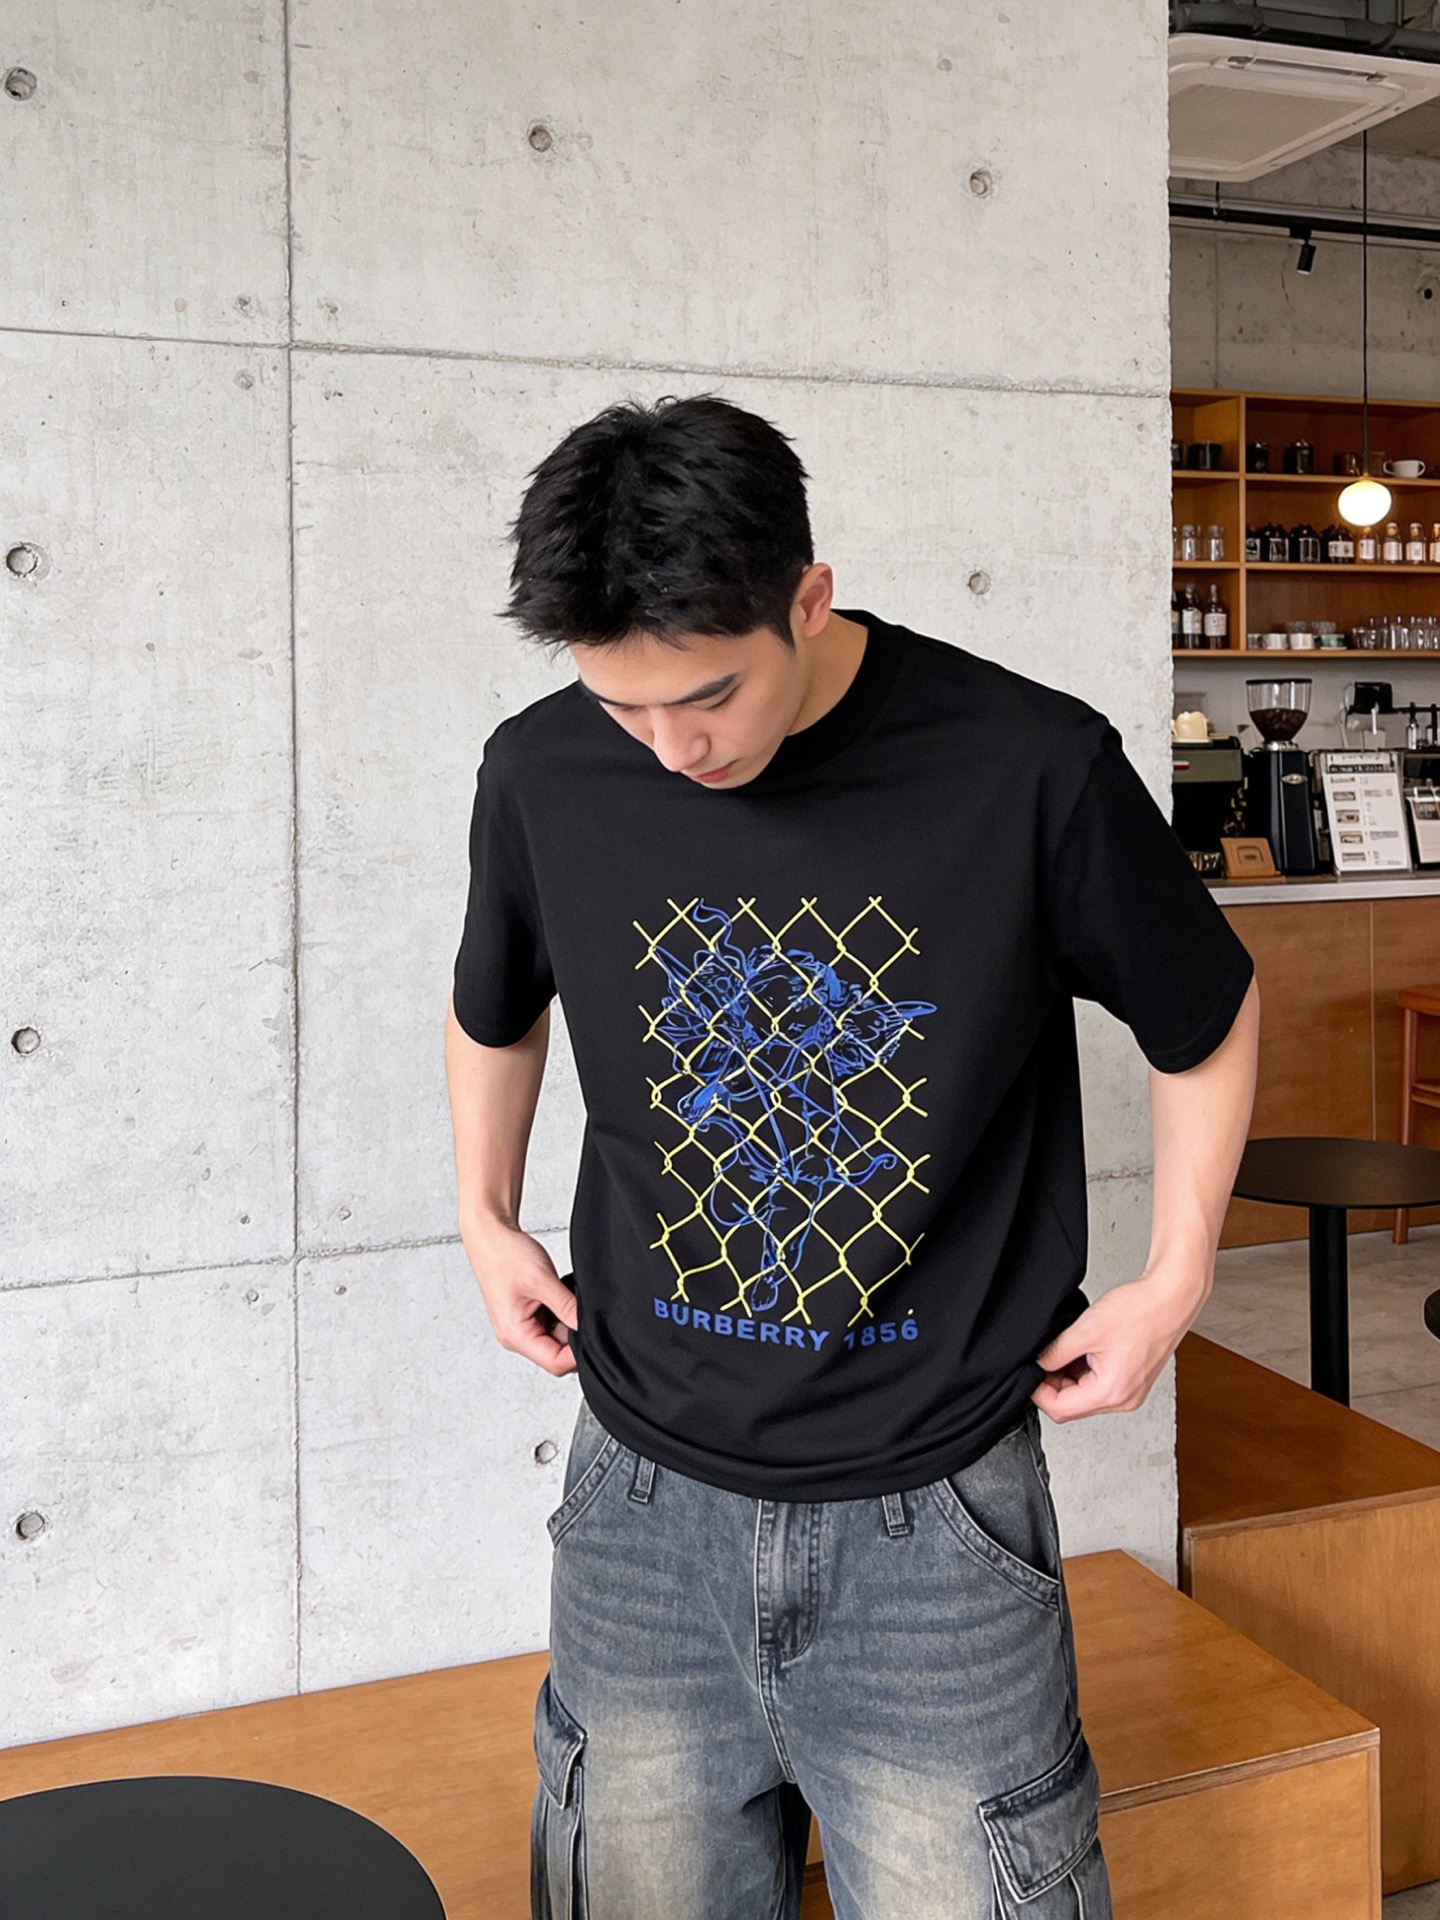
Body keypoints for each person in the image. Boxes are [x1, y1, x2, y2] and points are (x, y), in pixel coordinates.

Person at [444, 393, 1260, 1920]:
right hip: (637, 1504)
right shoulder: (542, 770)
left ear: (809, 600)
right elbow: (495, 1004)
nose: (672, 747)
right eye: (624, 708)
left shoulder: (1028, 763)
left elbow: (1203, 1013)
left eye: (709, 695)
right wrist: (484, 1218)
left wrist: (1179, 1276)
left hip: (937, 1517)